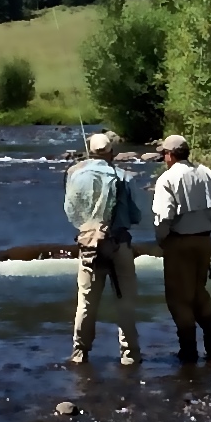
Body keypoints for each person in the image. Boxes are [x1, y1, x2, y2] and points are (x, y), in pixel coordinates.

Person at [62, 129, 148, 366]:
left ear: (90, 152)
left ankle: (80, 353)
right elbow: (135, 216)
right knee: (125, 302)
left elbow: (70, 211)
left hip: (89, 246)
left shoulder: (74, 175)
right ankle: (130, 355)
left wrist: (89, 225)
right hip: (119, 245)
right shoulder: (123, 177)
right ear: (112, 153)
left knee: (86, 303)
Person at [148, 132, 211, 363]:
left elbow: (164, 217)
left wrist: (162, 240)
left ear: (170, 155)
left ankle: (188, 352)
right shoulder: (205, 172)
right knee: (199, 292)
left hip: (179, 243)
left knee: (179, 298)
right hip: (204, 241)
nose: (163, 158)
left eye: (164, 154)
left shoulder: (167, 179)